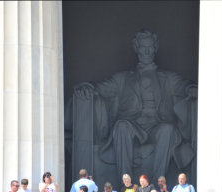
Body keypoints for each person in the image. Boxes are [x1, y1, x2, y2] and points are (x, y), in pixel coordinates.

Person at [69, 29, 197, 181]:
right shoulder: (123, 79)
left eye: (150, 47)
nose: (147, 51)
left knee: (168, 129)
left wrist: (191, 88)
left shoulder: (168, 78)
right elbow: (102, 87)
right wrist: (88, 87)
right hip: (132, 125)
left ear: (155, 47)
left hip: (157, 125)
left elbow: (183, 86)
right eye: (143, 47)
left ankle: (158, 183)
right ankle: (126, 181)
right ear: (136, 48)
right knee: (121, 126)